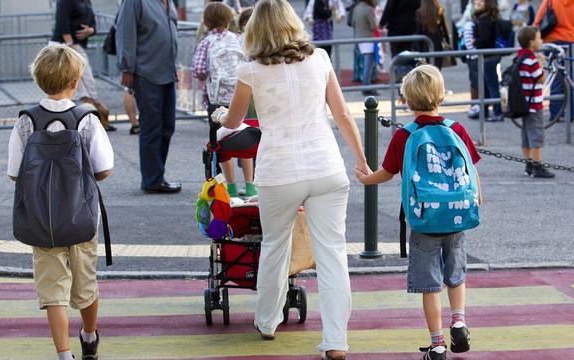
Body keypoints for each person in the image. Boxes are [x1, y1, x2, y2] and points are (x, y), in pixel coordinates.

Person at [210, 0, 370, 358]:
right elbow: (342, 115)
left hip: (278, 172)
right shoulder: (320, 59)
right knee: (332, 255)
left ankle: (267, 321)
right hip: (326, 166)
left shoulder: (250, 70)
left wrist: (221, 117)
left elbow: (233, 123)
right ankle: (335, 341)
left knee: (275, 245)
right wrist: (362, 163)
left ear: (256, 30)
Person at [354, 65, 481, 360]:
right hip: (457, 212)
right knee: (456, 274)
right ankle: (459, 320)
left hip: (425, 218)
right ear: (441, 96)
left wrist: (365, 178)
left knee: (429, 284)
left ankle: (437, 344)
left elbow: (386, 173)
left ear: (407, 101)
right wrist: (477, 198)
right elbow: (471, 167)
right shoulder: (455, 129)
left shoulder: (405, 135)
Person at [7, 44, 114, 360]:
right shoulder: (86, 119)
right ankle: (89, 336)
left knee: (53, 292)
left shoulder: (26, 120)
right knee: (86, 286)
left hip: (41, 221)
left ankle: (63, 355)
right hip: (81, 219)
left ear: (38, 79)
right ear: (75, 81)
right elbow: (104, 168)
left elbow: (15, 173)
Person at [192, 2, 257, 198]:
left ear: (207, 21)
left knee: (222, 143)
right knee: (244, 139)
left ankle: (231, 188)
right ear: (229, 19)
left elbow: (199, 70)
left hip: (217, 100)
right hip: (240, 95)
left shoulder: (206, 42)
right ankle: (251, 184)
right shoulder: (237, 39)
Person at [116, 0, 181, 193]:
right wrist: (127, 67)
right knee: (152, 126)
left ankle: (157, 175)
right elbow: (126, 32)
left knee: (167, 126)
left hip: (167, 72)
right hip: (146, 72)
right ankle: (152, 180)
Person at [52, 0, 115, 132]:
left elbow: (92, 24)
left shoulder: (86, 1)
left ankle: (94, 120)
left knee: (86, 85)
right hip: (64, 46)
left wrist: (90, 30)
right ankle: (93, 120)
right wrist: (70, 46)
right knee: (80, 85)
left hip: (76, 46)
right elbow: (62, 23)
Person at [534, 0, 574, 122]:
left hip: (553, 43)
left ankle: (556, 113)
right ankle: (573, 113)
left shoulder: (550, 1)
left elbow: (537, 22)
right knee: (573, 80)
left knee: (557, 79)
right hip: (573, 43)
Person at [516, 26, 556, 178]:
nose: (542, 41)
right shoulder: (532, 60)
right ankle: (538, 166)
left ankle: (528, 164)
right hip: (534, 104)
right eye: (539, 38)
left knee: (526, 135)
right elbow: (540, 78)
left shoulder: (519, 56)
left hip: (523, 103)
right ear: (532, 43)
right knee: (536, 136)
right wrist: (541, 64)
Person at [473, 0, 503, 121]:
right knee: (486, 85)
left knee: (491, 85)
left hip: (488, 56)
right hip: (490, 56)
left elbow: (485, 39)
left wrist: (474, 42)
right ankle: (485, 112)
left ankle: (497, 112)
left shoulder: (484, 19)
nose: (477, 2)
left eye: (481, 1)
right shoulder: (487, 16)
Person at [415, 0, 453, 69]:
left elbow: (418, 32)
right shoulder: (439, 10)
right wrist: (448, 43)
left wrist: (418, 49)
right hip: (437, 43)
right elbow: (444, 29)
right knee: (437, 69)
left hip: (424, 45)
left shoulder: (419, 13)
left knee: (427, 70)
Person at [353, 0, 379, 96]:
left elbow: (353, 22)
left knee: (366, 64)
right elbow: (373, 26)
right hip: (369, 38)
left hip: (359, 38)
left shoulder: (357, 8)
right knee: (368, 65)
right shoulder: (369, 10)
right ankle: (366, 86)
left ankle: (366, 85)